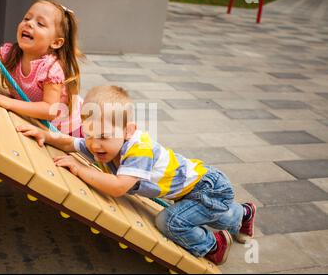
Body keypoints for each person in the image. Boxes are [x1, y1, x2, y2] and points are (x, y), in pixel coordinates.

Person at [16, 85, 257, 265]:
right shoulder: (102, 142)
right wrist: (45, 135)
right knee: (213, 212)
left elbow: (119, 187)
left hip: (206, 187)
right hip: (193, 187)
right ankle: (244, 214)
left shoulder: (138, 149)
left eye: (102, 137)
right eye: (89, 134)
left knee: (170, 222)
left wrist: (79, 170)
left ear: (128, 130)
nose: (94, 144)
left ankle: (214, 245)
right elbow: (72, 143)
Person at [0, 0, 84, 136]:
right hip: (36, 122)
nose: (29, 23)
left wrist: (9, 102)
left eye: (40, 24)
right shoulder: (11, 53)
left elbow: (50, 110)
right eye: (27, 18)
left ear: (55, 42)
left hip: (69, 129)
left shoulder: (51, 68)